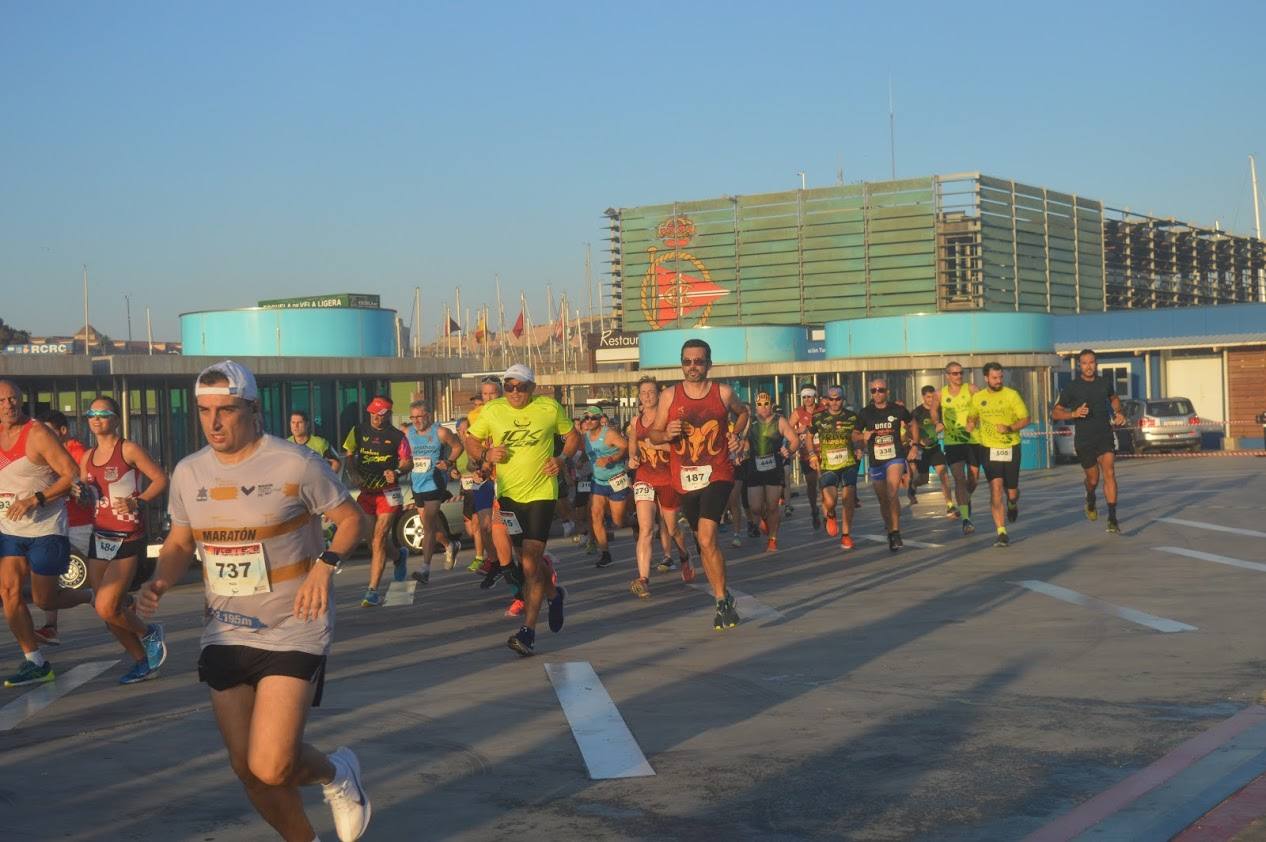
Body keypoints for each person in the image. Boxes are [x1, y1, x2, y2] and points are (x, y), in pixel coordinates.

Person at [138, 360, 371, 842]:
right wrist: (160, 581)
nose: (214, 422)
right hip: (224, 627)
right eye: (205, 411)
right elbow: (181, 543)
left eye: (226, 410)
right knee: (246, 768)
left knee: (272, 763)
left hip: (294, 624)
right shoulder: (188, 473)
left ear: (253, 409)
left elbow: (352, 520)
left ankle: (337, 774)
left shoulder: (295, 463)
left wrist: (325, 568)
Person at [465, 363, 579, 656]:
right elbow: (470, 440)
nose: (515, 392)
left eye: (521, 387)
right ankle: (554, 595)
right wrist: (485, 454)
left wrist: (562, 458)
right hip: (509, 497)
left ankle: (527, 632)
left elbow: (573, 436)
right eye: (509, 386)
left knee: (530, 563)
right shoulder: (492, 411)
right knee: (525, 560)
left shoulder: (549, 408)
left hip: (541, 494)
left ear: (533, 387)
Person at [648, 338, 748, 631]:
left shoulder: (723, 392)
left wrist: (736, 434)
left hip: (718, 471)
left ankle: (719, 601)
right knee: (704, 543)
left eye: (699, 361)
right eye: (687, 361)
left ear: (708, 364)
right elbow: (653, 434)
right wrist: (666, 433)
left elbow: (743, 413)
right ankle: (725, 594)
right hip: (684, 478)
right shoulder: (669, 396)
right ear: (682, 364)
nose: (693, 366)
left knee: (706, 537)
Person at [0, 380, 96, 687]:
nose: (8, 405)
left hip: (46, 528)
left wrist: (35, 499)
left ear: (21, 401)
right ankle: (35, 661)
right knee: (9, 593)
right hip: (10, 529)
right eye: (2, 400)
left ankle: (95, 596)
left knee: (44, 600)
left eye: (13, 399)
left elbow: (72, 474)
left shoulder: (38, 433)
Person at [80, 395, 170, 684]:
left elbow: (160, 479)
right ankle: (141, 661)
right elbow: (88, 495)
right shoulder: (87, 456)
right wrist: (79, 494)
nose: (96, 419)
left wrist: (137, 501)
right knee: (105, 610)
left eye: (103, 414)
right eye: (91, 414)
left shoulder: (128, 449)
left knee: (107, 606)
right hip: (100, 536)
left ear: (116, 419)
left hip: (127, 537)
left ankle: (149, 633)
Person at [627, 376, 694, 597]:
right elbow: (632, 449)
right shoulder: (636, 422)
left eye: (651, 392)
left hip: (667, 479)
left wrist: (658, 445)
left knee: (672, 528)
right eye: (643, 393)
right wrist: (633, 459)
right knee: (646, 529)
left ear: (659, 395)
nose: (647, 396)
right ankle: (643, 579)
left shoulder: (667, 418)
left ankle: (684, 555)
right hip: (645, 477)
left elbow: (681, 448)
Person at [32, 410, 93, 645]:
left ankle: (115, 608)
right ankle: (50, 626)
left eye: (48, 430)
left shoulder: (76, 453)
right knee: (51, 577)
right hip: (56, 524)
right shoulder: (44, 454)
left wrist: (77, 489)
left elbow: (85, 487)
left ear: (63, 431)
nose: (43, 435)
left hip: (80, 525)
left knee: (96, 576)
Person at [343, 396, 410, 607]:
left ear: (388, 415)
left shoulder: (398, 437)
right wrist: (352, 471)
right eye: (372, 413)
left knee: (380, 538)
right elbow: (349, 454)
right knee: (372, 541)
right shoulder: (358, 430)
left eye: (380, 415)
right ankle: (399, 556)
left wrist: (397, 471)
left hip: (389, 492)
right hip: (367, 492)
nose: (375, 418)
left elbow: (408, 462)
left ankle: (372, 591)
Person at [1053, 348, 1125, 534]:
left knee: (1109, 471)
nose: (1088, 366)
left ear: (1096, 363)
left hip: (1104, 435)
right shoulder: (1072, 387)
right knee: (1093, 479)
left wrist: (1119, 412)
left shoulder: (1104, 382)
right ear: (1079, 365)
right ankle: (1090, 497)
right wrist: (1073, 414)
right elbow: (1055, 411)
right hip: (1084, 439)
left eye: (1091, 362)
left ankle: (1112, 517)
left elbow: (1114, 398)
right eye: (1084, 363)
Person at [967, 363, 1031, 547]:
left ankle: (1012, 503)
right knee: (995, 488)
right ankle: (1001, 532)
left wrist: (1009, 428)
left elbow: (1025, 418)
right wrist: (970, 424)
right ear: (986, 378)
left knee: (1011, 492)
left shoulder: (1011, 395)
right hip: (989, 448)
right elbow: (972, 416)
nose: (998, 381)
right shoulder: (978, 398)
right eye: (995, 378)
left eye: (1001, 377)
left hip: (1011, 446)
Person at [404, 401, 463, 583]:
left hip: (435, 482)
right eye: (413, 417)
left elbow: (458, 447)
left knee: (428, 525)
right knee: (430, 527)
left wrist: (449, 463)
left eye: (419, 416)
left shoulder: (440, 432)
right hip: (417, 483)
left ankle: (425, 569)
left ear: (428, 415)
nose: (416, 421)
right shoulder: (408, 433)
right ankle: (449, 544)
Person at [858, 378, 918, 552]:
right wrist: (862, 437)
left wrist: (914, 444)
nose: (877, 393)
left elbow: (912, 422)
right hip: (876, 461)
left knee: (892, 493)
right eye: (874, 391)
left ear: (887, 392)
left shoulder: (897, 409)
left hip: (895, 457)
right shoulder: (865, 413)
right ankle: (890, 528)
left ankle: (896, 532)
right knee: (883, 499)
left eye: (880, 390)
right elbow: (854, 434)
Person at [806, 384, 863, 552]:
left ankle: (846, 535)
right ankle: (830, 514)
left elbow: (858, 436)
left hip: (848, 463)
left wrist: (860, 447)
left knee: (848, 500)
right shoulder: (818, 418)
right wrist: (811, 454)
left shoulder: (852, 417)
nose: (835, 402)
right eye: (831, 399)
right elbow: (809, 437)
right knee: (830, 501)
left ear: (843, 400)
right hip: (828, 465)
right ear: (826, 401)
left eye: (838, 399)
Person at [746, 392, 799, 552]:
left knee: (772, 506)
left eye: (766, 403)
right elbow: (741, 439)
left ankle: (772, 538)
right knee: (755, 507)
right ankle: (763, 518)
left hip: (774, 467)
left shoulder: (779, 421)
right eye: (760, 404)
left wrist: (788, 450)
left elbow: (795, 439)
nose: (763, 407)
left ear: (771, 405)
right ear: (756, 406)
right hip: (754, 467)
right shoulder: (750, 421)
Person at [581, 406, 630, 569]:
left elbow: (626, 446)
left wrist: (611, 458)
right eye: (586, 418)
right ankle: (605, 553)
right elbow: (586, 451)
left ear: (600, 419)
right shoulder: (585, 437)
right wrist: (582, 459)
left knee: (618, 521)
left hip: (616, 479)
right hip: (598, 482)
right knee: (596, 515)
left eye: (592, 418)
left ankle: (637, 523)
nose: (588, 421)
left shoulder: (609, 434)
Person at [941, 361, 980, 534]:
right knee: (959, 479)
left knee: (973, 480)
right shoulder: (940, 394)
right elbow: (934, 411)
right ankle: (966, 519)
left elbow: (982, 406)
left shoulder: (971, 389)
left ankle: (964, 498)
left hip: (973, 440)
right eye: (955, 373)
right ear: (947, 375)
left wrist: (974, 421)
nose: (958, 376)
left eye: (961, 373)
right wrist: (937, 422)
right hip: (953, 441)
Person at [910, 386, 955, 517]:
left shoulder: (939, 410)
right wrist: (919, 441)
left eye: (933, 397)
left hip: (935, 448)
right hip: (922, 451)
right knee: (923, 479)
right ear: (923, 397)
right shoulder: (916, 412)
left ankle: (950, 505)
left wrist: (934, 432)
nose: (931, 400)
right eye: (928, 397)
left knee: (943, 475)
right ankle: (913, 485)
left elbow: (942, 424)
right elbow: (911, 430)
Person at [791, 385, 825, 530]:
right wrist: (799, 431)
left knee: (824, 483)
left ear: (815, 396)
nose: (807, 399)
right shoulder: (798, 412)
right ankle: (814, 510)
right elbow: (787, 429)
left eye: (809, 396)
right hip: (806, 455)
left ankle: (826, 511)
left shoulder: (823, 410)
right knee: (811, 485)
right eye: (804, 397)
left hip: (823, 452)